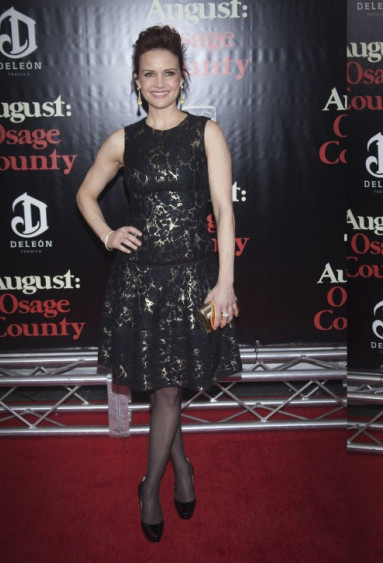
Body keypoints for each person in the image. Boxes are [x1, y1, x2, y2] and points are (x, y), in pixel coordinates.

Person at [76, 25, 242, 542]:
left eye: (169, 72)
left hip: (193, 278)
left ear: (183, 76)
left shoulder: (205, 132)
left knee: (168, 387)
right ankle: (179, 471)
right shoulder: (124, 140)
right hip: (140, 282)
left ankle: (150, 486)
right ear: (136, 80)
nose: (160, 82)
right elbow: (85, 194)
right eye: (149, 74)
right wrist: (107, 234)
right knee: (160, 385)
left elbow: (222, 208)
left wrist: (225, 283)